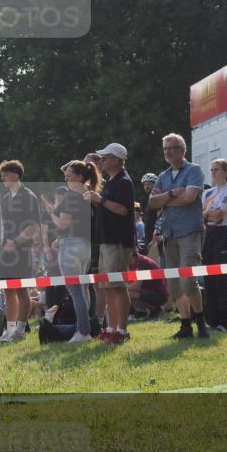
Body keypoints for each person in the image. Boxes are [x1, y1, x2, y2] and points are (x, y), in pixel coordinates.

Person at [149, 133, 208, 339]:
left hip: (189, 231)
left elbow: (190, 198)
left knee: (188, 282)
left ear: (182, 150)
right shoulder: (163, 176)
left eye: (172, 148)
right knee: (174, 286)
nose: (168, 152)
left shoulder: (194, 170)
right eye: (165, 149)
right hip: (169, 233)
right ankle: (185, 326)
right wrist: (174, 194)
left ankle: (200, 322)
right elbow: (152, 203)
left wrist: (164, 200)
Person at [44, 160, 98, 342]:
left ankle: (83, 331)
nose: (66, 177)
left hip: (71, 247)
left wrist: (50, 212)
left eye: (69, 174)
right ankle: (83, 328)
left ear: (80, 176)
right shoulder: (88, 195)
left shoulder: (72, 196)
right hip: (85, 246)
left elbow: (63, 223)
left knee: (76, 291)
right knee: (82, 289)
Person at [88, 143, 136, 344]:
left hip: (117, 242)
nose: (102, 161)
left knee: (117, 287)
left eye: (106, 157)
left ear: (116, 159)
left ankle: (122, 330)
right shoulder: (111, 181)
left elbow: (124, 210)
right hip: (106, 241)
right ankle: (110, 327)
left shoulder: (124, 182)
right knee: (107, 287)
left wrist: (100, 200)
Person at [0, 160, 41, 343]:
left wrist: (15, 242)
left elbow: (33, 226)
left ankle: (20, 330)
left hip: (22, 251)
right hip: (5, 252)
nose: (3, 178)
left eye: (5, 174)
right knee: (8, 291)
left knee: (22, 291)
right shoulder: (5, 199)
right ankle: (10, 329)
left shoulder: (29, 196)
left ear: (15, 174)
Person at [202, 159, 227, 332]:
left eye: (217, 169)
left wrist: (208, 214)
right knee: (208, 277)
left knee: (222, 279)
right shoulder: (207, 193)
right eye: (212, 169)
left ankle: (223, 321)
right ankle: (211, 319)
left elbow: (218, 216)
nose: (213, 172)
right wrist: (208, 214)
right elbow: (201, 215)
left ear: (225, 171)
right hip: (208, 235)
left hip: (223, 234)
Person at [127, 249, 168, 320]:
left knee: (127, 294)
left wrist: (119, 289)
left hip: (159, 295)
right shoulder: (129, 264)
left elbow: (136, 286)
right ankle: (140, 312)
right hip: (145, 291)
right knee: (125, 293)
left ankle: (155, 309)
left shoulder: (142, 262)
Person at [139, 173, 160, 257]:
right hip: (148, 236)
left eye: (149, 184)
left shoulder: (157, 198)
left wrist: (156, 237)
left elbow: (160, 218)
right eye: (145, 184)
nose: (147, 187)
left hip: (156, 238)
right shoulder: (147, 200)